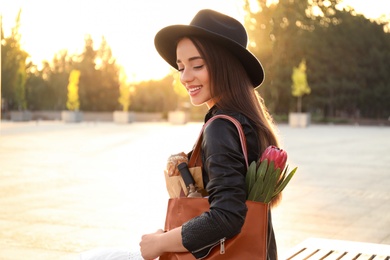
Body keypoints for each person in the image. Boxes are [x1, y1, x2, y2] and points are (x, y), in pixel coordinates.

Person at [80, 8, 280, 260]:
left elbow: (227, 216)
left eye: (197, 65)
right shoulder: (248, 122)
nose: (185, 77)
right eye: (181, 66)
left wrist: (161, 242)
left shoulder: (221, 126)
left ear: (225, 66)